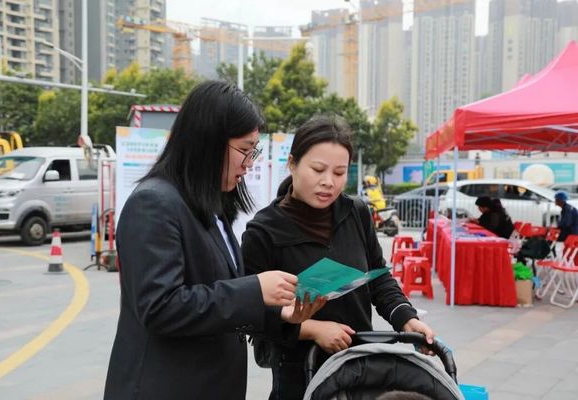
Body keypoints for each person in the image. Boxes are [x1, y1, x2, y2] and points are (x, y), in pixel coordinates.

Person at [103, 81, 325, 400]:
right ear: (208, 142)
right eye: (245, 150)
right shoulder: (153, 204)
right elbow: (160, 307)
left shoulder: (210, 206)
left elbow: (218, 299)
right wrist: (255, 289)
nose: (249, 163)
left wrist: (281, 314)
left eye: (254, 152)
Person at [241, 115, 435, 400]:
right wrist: (311, 329)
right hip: (298, 373)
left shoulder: (356, 213)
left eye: (339, 172)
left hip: (357, 367)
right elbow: (251, 313)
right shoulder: (264, 230)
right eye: (318, 169)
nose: (328, 182)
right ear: (292, 163)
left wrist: (406, 318)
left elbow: (378, 278)